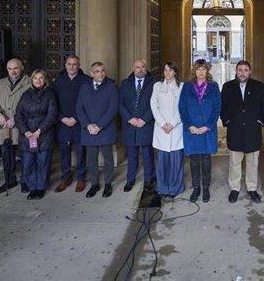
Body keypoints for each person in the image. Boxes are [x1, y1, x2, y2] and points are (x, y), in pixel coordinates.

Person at [220, 60, 264, 203]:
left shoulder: (258, 86)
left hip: (253, 130)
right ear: (236, 71)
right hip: (234, 130)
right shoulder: (228, 87)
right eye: (240, 70)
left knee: (252, 162)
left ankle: (252, 188)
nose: (242, 73)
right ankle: (234, 188)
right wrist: (227, 122)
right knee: (235, 162)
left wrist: (260, 121)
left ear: (250, 72)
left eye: (245, 70)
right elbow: (222, 107)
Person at [179, 59, 221, 203]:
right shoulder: (187, 86)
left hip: (207, 129)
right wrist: (189, 125)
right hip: (192, 129)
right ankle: (196, 187)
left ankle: (206, 187)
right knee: (194, 159)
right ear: (194, 71)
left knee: (206, 158)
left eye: (203, 69)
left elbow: (217, 108)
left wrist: (207, 126)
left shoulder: (213, 87)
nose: (201, 72)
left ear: (207, 71)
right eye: (198, 69)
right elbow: (182, 107)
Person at [76, 61, 119, 198]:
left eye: (102, 71)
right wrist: (88, 125)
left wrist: (99, 126)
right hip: (89, 130)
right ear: (91, 73)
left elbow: (113, 109)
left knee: (108, 158)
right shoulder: (84, 87)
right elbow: (79, 108)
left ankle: (107, 184)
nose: (100, 74)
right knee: (92, 159)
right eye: (97, 71)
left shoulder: (111, 86)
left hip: (105, 129)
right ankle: (94, 184)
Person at [0, 58, 31, 194]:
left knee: (26, 154)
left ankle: (26, 181)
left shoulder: (30, 82)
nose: (13, 71)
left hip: (22, 124)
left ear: (22, 67)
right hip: (4, 125)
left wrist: (16, 118)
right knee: (7, 155)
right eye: (10, 69)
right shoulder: (0, 83)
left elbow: (32, 103)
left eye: (16, 68)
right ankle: (9, 181)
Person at [15, 69, 58, 200]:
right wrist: (26, 131)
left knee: (43, 162)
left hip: (44, 133)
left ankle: (40, 188)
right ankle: (32, 187)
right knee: (28, 162)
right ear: (31, 80)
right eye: (35, 78)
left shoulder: (50, 95)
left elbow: (52, 115)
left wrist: (39, 131)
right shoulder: (25, 94)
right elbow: (18, 115)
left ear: (45, 80)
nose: (38, 81)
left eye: (41, 78)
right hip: (27, 134)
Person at [52, 55, 91, 193]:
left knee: (81, 153)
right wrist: (62, 118)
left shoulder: (86, 80)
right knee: (64, 153)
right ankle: (65, 178)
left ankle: (81, 179)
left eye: (75, 64)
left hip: (79, 122)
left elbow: (88, 103)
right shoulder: (59, 81)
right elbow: (53, 103)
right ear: (65, 65)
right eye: (69, 64)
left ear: (79, 65)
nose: (72, 66)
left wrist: (76, 118)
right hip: (63, 123)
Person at [119, 59, 156, 192]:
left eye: (142, 67)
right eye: (137, 67)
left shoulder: (153, 84)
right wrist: (130, 119)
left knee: (147, 154)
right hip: (130, 125)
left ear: (146, 68)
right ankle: (130, 180)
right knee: (132, 155)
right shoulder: (125, 84)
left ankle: (148, 180)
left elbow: (155, 104)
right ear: (133, 68)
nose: (140, 69)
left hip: (146, 124)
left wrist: (144, 119)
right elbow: (120, 104)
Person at [150, 62, 185, 197]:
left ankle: (175, 188)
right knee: (162, 162)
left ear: (175, 72)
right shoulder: (157, 86)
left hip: (176, 129)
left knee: (176, 162)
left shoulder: (182, 87)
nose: (167, 73)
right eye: (165, 70)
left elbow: (183, 107)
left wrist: (172, 124)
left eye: (170, 70)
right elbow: (154, 105)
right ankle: (163, 188)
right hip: (161, 129)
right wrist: (163, 123)